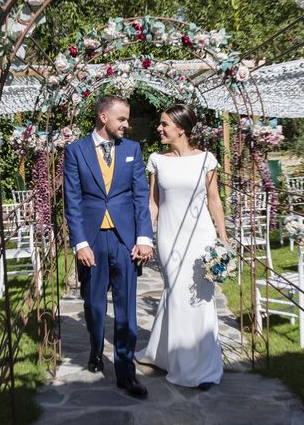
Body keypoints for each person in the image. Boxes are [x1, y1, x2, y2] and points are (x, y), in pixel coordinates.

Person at [63, 95, 154, 399]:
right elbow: (72, 201)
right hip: (92, 239)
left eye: (127, 119)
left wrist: (144, 238)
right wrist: (79, 243)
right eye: (122, 119)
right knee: (94, 304)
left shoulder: (132, 150)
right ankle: (95, 349)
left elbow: (141, 197)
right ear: (103, 117)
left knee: (126, 306)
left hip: (124, 239)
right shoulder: (75, 151)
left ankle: (126, 373)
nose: (126, 125)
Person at [135, 104, 227, 390]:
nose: (159, 129)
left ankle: (203, 368)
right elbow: (153, 203)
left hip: (201, 237)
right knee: (176, 295)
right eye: (160, 124)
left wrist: (223, 238)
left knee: (201, 298)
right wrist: (144, 237)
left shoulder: (206, 160)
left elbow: (214, 200)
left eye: (165, 124)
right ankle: (174, 358)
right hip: (169, 236)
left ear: (181, 128)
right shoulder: (156, 161)